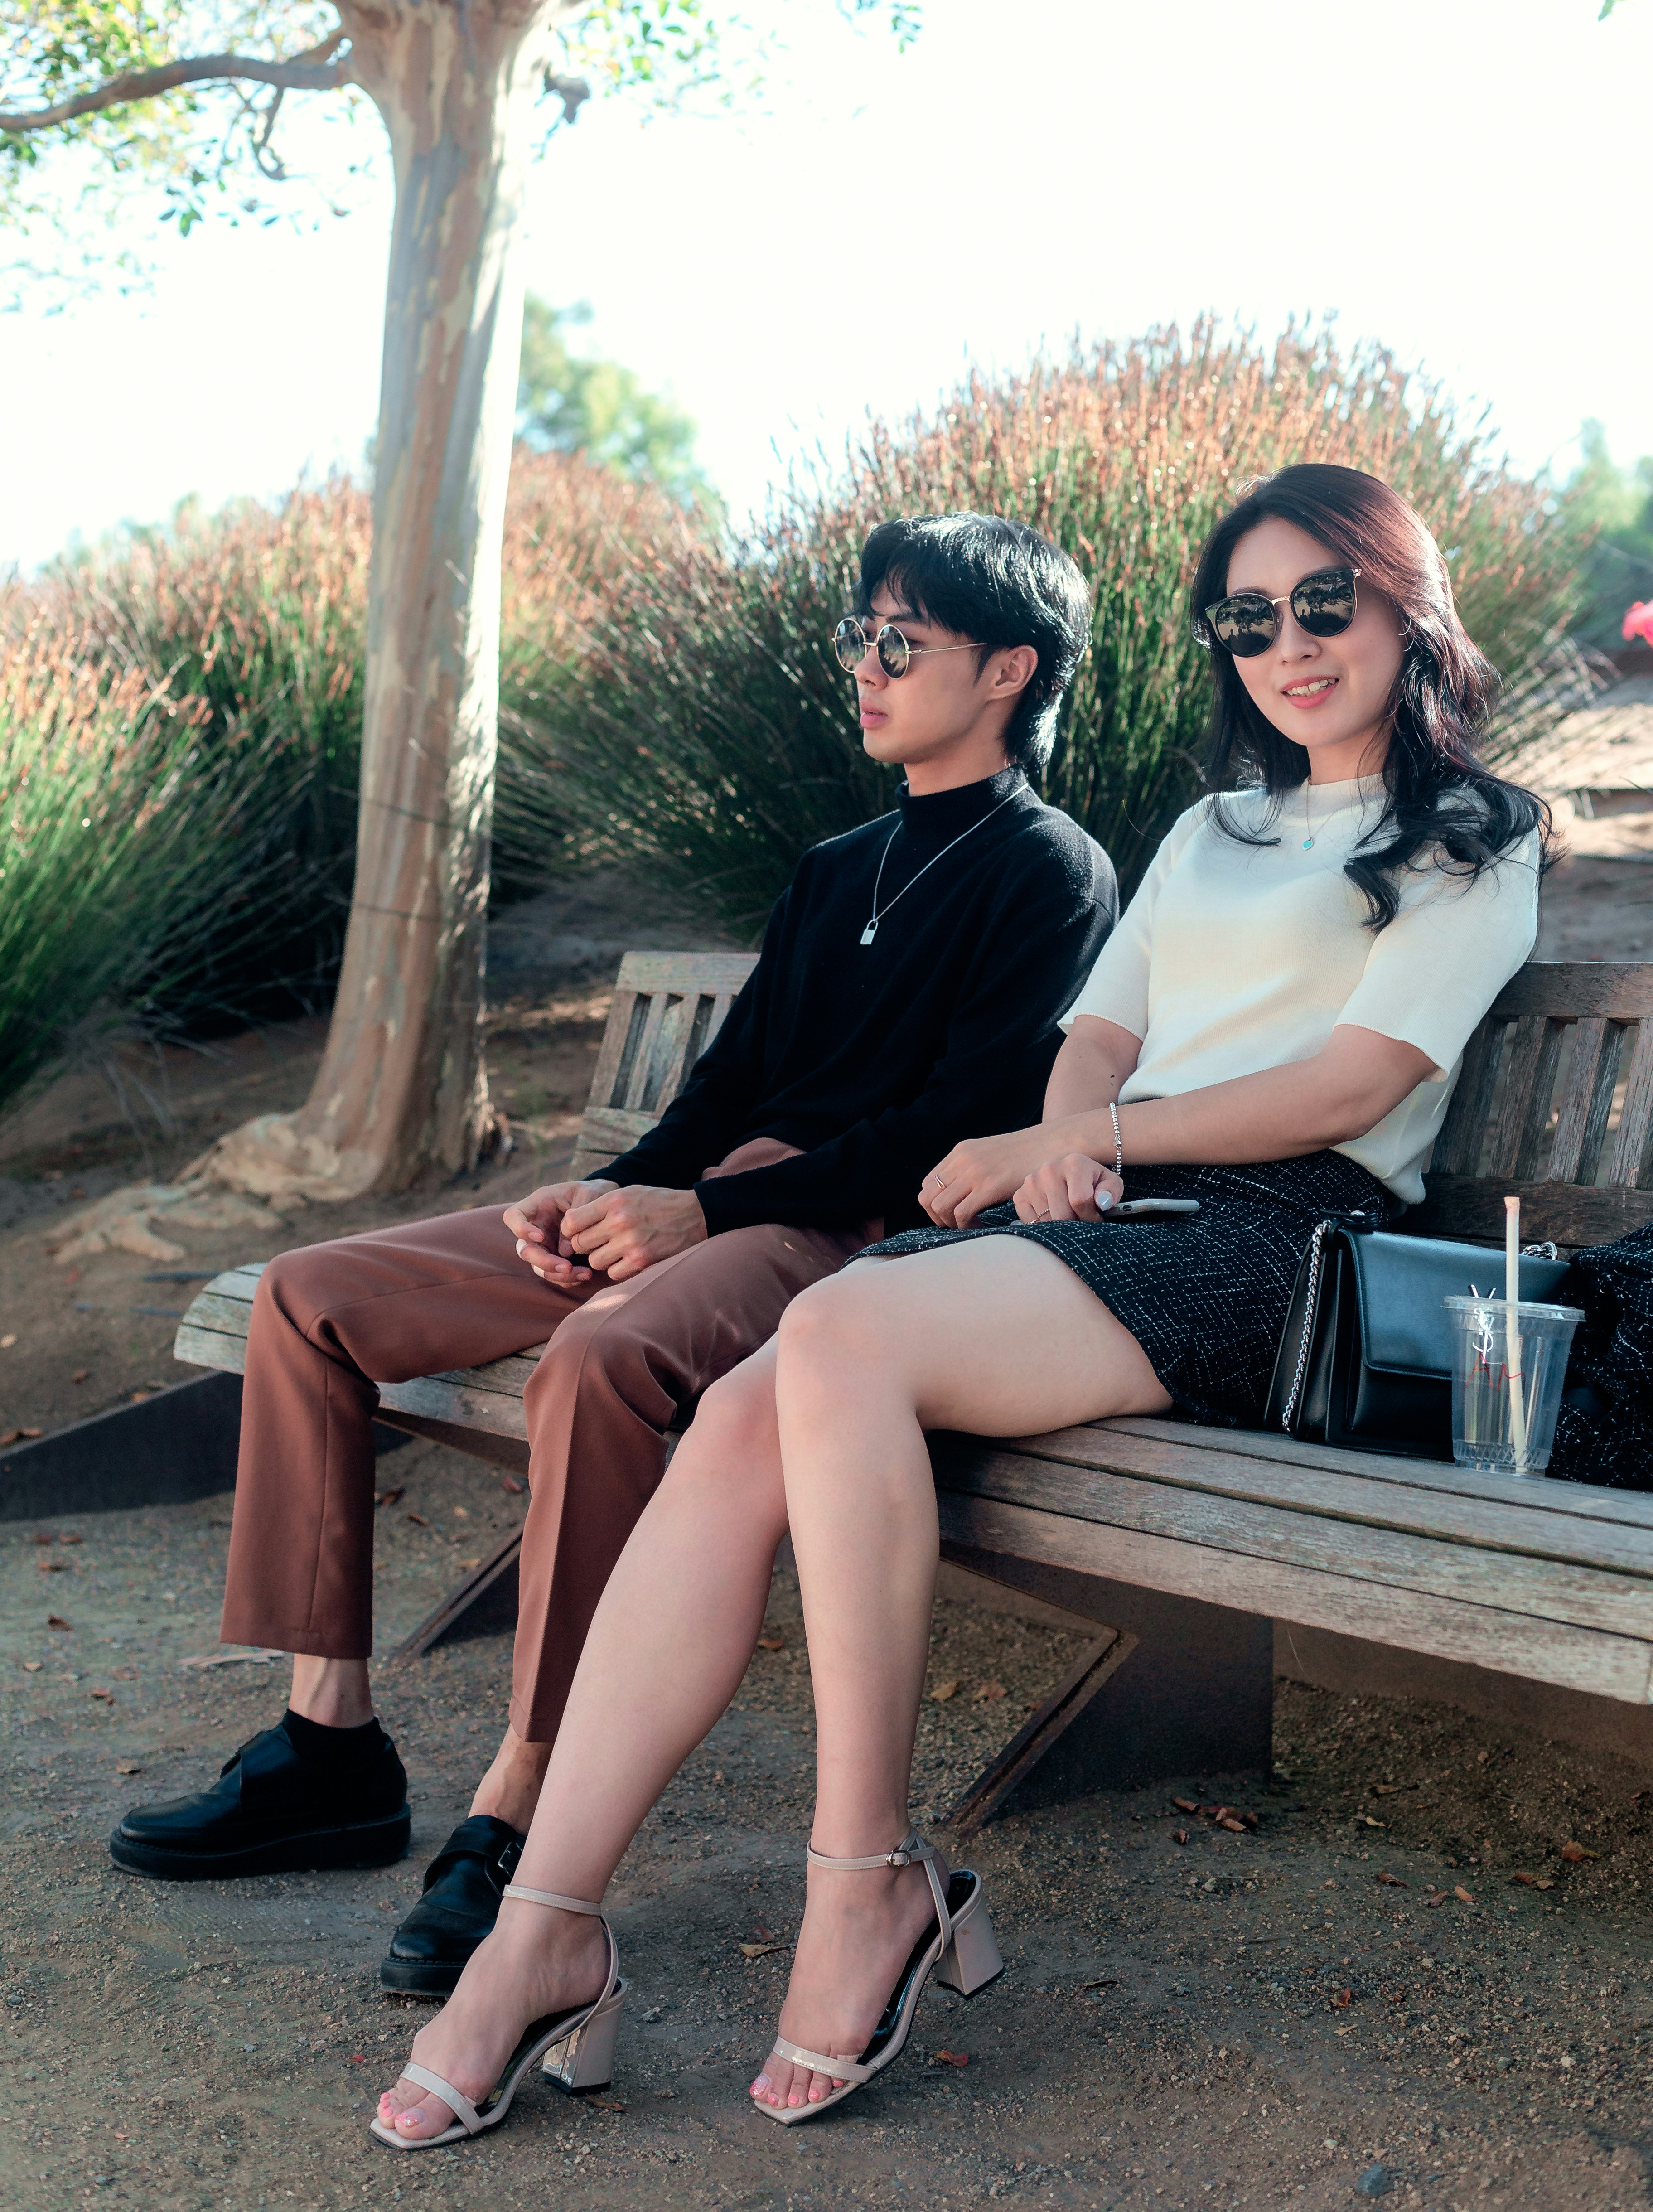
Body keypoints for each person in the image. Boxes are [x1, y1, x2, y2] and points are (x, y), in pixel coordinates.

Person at [359, 463, 1549, 2149]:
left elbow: (1355, 1084)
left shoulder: (1475, 836)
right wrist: (1076, 1130)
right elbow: (1104, 1025)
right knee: (755, 1398)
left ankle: (860, 1885)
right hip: (1110, 1217)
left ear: (1400, 602)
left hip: (1281, 1247)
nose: (1288, 644)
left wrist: (1094, 1143)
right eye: (1248, 617)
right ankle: (545, 1926)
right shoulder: (1215, 832)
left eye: (1323, 603)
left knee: (831, 1330)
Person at [110, 513, 1119, 2005]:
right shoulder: (839, 864)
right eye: (860, 637)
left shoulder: (1054, 872)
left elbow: (954, 1126)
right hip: (708, 1203)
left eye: (900, 641)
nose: (867, 666)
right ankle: (330, 1745)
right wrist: (608, 1194)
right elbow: (728, 1085)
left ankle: (521, 1805)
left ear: (1009, 669)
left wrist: (697, 1219)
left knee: (601, 1359)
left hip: (857, 1238)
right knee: (308, 1298)